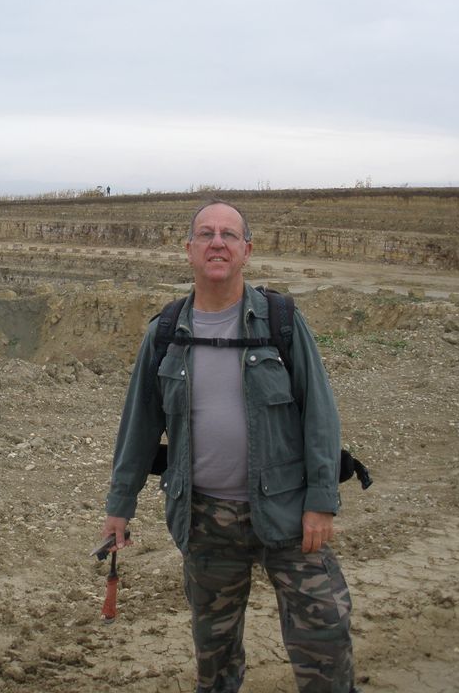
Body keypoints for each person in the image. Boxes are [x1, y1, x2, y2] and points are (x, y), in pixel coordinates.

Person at [102, 200, 357, 693]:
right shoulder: (165, 333)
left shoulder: (281, 322)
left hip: (289, 514)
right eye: (206, 234)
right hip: (205, 520)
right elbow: (138, 426)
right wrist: (120, 506)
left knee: (324, 637)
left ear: (246, 250)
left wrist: (321, 502)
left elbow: (320, 414)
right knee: (215, 656)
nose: (217, 242)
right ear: (189, 250)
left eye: (228, 235)